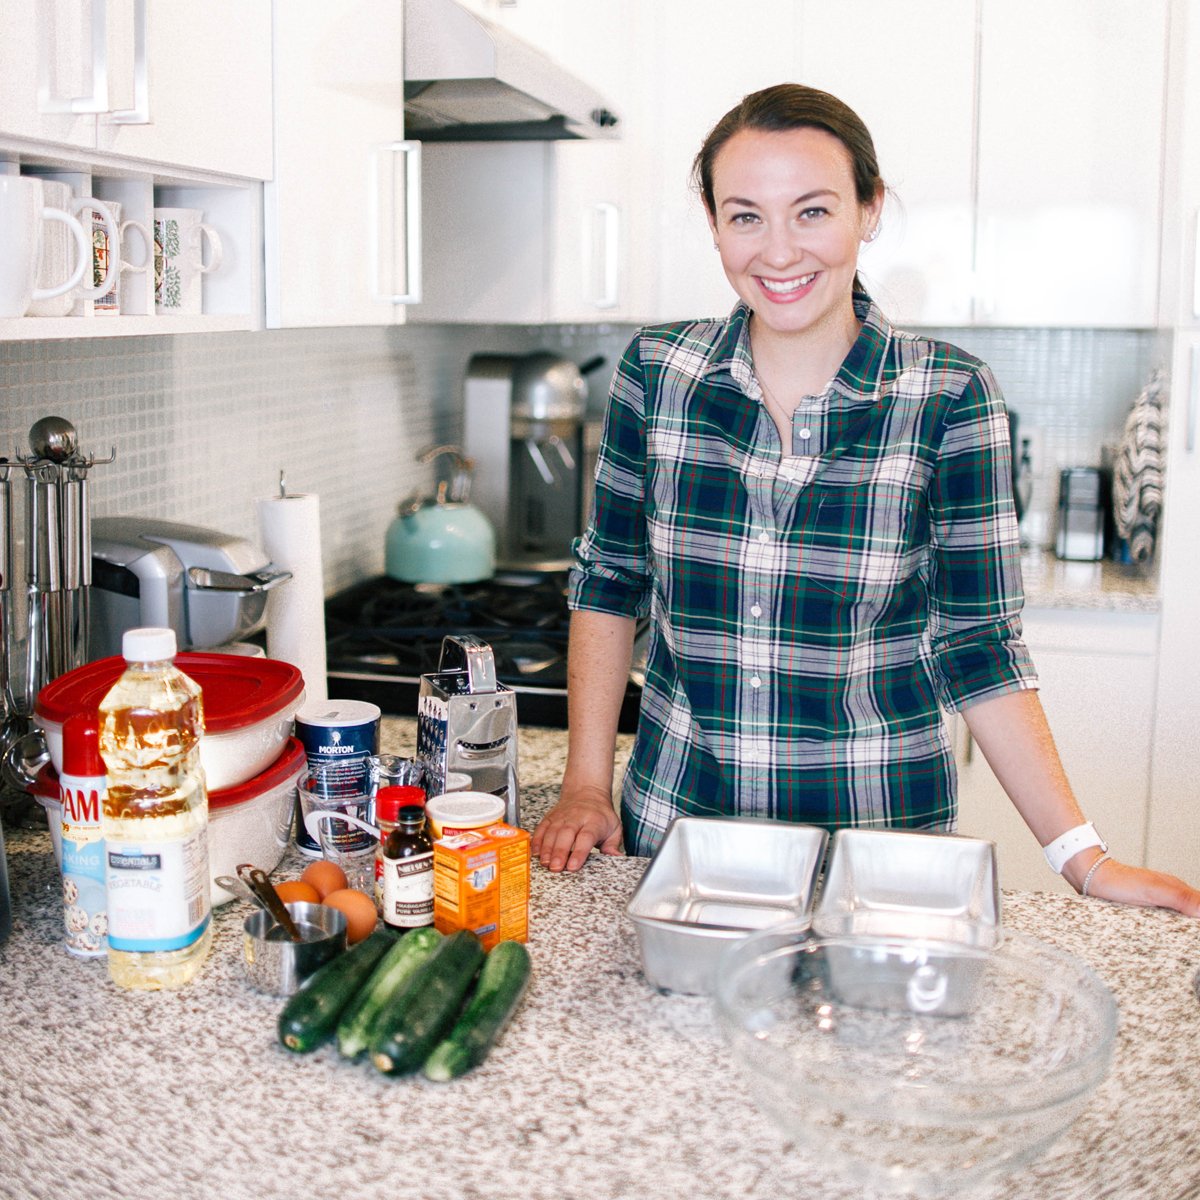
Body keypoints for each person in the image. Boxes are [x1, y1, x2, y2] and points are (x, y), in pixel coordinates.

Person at [530, 82, 1200, 918]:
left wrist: (1084, 859)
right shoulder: (659, 374)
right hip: (679, 848)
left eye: (812, 211)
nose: (777, 252)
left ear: (869, 210)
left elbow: (980, 646)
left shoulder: (948, 396)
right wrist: (588, 786)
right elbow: (608, 581)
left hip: (878, 860)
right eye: (745, 216)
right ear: (713, 223)